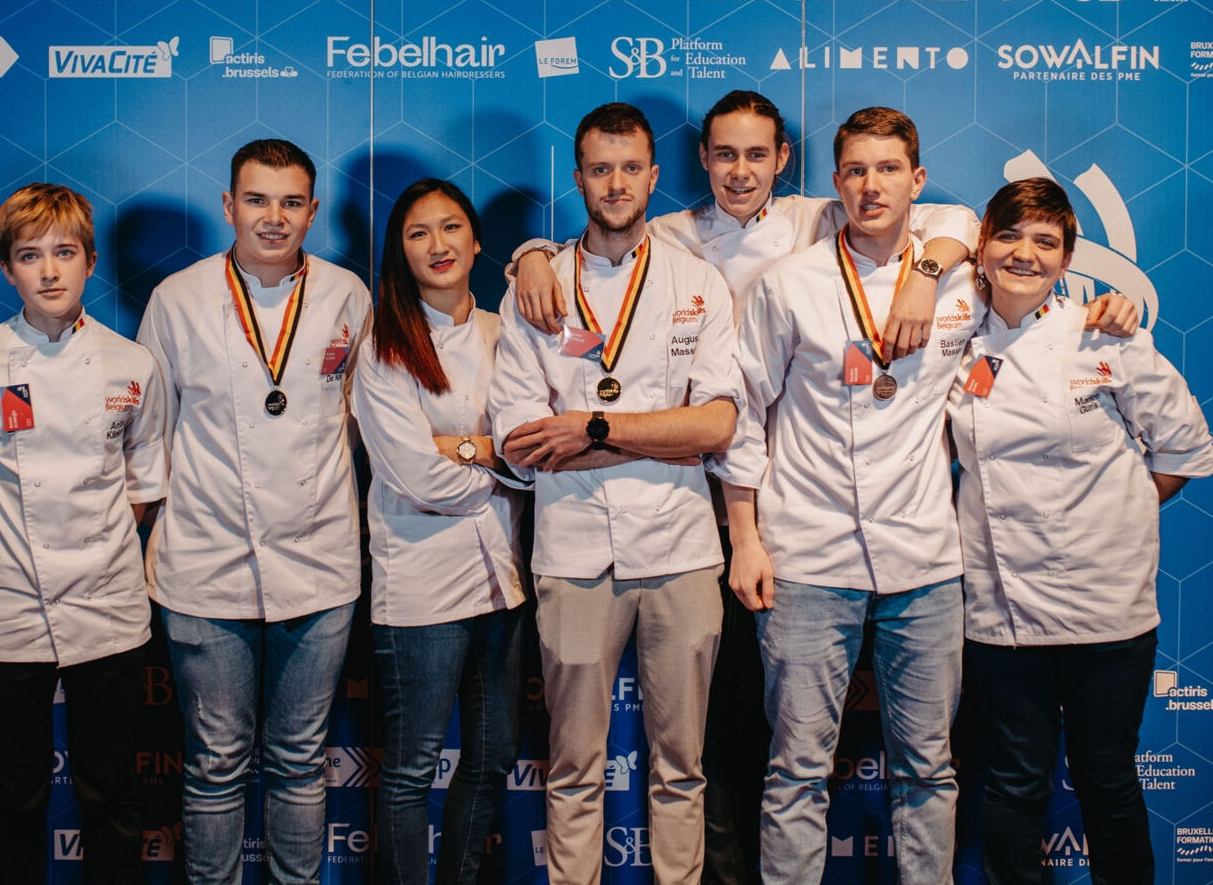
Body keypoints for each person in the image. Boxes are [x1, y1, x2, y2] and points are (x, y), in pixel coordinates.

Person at [511, 89, 978, 885]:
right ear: (695, 164)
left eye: (757, 154)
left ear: (787, 163)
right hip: (753, 527)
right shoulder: (663, 234)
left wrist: (926, 272)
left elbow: (962, 220)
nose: (740, 170)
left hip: (735, 524)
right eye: (724, 154)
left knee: (734, 753)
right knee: (732, 754)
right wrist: (526, 255)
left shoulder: (813, 221)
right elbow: (586, 263)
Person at [725, 108, 1138, 885]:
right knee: (796, 772)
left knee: (929, 771)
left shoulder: (963, 280)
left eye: (888, 170)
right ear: (835, 183)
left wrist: (1109, 311)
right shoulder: (788, 286)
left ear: (917, 181)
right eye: (854, 171)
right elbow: (744, 414)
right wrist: (745, 538)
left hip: (925, 565)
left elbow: (1032, 315)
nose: (870, 186)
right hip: (806, 560)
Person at [489, 102, 739, 885]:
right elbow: (523, 442)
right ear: (578, 178)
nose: (617, 183)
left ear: (656, 177)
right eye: (601, 169)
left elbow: (718, 424)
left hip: (682, 554)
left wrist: (591, 430)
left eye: (632, 168)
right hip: (570, 556)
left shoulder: (699, 283)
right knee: (571, 765)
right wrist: (657, 435)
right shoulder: (535, 288)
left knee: (682, 767)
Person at [949, 177, 1213, 884]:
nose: (1024, 254)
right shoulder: (953, 339)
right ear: (982, 245)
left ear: (1067, 260)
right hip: (1002, 609)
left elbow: (1184, 446)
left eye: (1045, 242)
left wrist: (1114, 515)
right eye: (1009, 235)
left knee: (1107, 778)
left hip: (1107, 609)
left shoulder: (1106, 333)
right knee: (1012, 780)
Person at [136, 139, 372, 884]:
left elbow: (368, 421)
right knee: (215, 763)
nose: (274, 218)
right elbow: (150, 433)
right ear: (229, 206)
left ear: (312, 210)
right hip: (207, 565)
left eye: (292, 201)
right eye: (258, 200)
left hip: (319, 561)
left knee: (301, 760)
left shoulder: (347, 295)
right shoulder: (178, 299)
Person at [0, 183, 167, 884]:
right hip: (8, 612)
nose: (50, 271)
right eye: (30, 255)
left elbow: (143, 486)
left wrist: (96, 556)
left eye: (65, 252)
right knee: (13, 797)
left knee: (113, 795)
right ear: (8, 269)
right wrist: (3, 566)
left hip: (109, 606)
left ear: (90, 261)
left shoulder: (133, 364)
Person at [355, 178, 528, 884]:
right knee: (411, 769)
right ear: (400, 251)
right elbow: (414, 478)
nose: (437, 245)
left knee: (490, 761)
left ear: (476, 240)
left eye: (450, 227)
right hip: (422, 587)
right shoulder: (383, 348)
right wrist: (493, 452)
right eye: (418, 233)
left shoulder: (508, 332)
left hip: (505, 582)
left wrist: (460, 446)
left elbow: (536, 454)